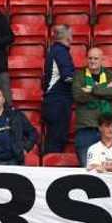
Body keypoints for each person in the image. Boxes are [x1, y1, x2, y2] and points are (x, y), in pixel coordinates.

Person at [72, 46, 112, 165]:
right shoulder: (79, 75)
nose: (92, 61)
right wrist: (103, 90)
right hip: (86, 129)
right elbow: (78, 96)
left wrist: (91, 89)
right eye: (90, 58)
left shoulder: (110, 75)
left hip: (107, 128)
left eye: (96, 58)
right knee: (87, 168)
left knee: (109, 167)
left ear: (102, 60)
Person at [0, 86, 38, 165]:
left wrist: (26, 148)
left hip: (15, 160)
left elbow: (33, 132)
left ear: (3, 99)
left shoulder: (16, 115)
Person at [41, 24, 75, 155]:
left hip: (53, 101)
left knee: (53, 139)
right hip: (58, 102)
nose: (72, 36)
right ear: (66, 36)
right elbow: (67, 77)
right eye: (71, 34)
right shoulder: (61, 51)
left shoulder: (54, 50)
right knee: (56, 140)